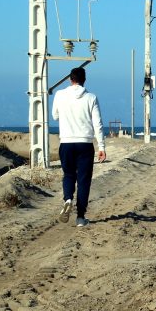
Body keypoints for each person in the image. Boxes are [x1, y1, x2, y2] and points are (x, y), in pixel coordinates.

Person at [51, 67, 106, 227]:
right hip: (85, 143)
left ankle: (68, 199)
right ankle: (80, 217)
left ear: (70, 79)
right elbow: (98, 124)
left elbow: (55, 115)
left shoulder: (60, 95)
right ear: (84, 80)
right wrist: (101, 146)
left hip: (66, 142)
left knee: (68, 175)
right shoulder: (91, 97)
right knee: (83, 180)